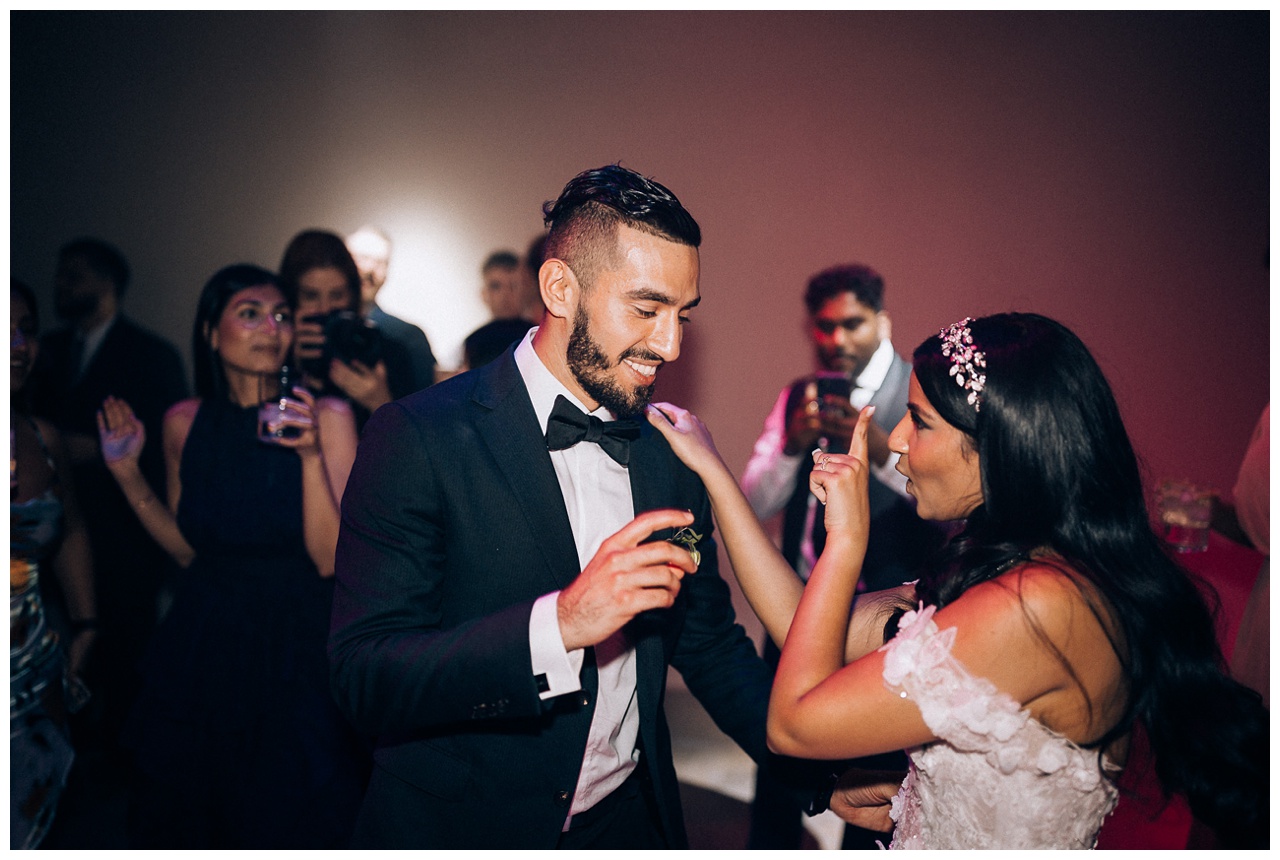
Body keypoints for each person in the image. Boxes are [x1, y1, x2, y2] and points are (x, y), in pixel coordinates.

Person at [329, 165, 826, 848]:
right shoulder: (419, 438)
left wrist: (820, 773)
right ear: (560, 288)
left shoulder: (665, 450)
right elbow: (365, 676)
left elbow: (706, 641)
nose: (671, 345)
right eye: (647, 310)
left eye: (683, 315)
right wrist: (558, 625)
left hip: (629, 825)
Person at [647, 312, 1268, 849]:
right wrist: (716, 475)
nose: (896, 440)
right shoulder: (1010, 570)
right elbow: (807, 627)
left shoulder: (1038, 604)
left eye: (920, 421)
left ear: (994, 449)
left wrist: (846, 543)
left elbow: (793, 725)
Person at [96, 264, 368, 847]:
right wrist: (124, 474)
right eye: (250, 313)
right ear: (210, 331)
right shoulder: (183, 422)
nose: (272, 329)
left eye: (281, 316)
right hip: (205, 639)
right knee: (192, 814)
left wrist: (307, 458)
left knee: (289, 812)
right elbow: (190, 551)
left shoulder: (328, 416)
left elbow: (330, 561)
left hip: (298, 643)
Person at [740, 264, 942, 848]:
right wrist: (789, 446)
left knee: (880, 769)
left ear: (882, 319)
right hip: (798, 603)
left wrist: (880, 451)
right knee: (776, 750)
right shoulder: (800, 395)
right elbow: (755, 500)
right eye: (825, 327)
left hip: (883, 613)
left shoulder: (915, 391)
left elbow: (948, 505)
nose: (837, 340)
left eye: (852, 324)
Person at [28, 237, 188, 761]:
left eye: (74, 275)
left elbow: (168, 448)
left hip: (125, 538)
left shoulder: (150, 354)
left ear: (108, 283)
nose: (61, 285)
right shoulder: (44, 349)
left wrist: (91, 450)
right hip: (49, 537)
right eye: (59, 274)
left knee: (124, 668)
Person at [11, 279, 98, 849]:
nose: (19, 344)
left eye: (27, 330)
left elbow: (69, 529)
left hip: (36, 667)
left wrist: (88, 625)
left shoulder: (41, 437)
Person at [280, 229, 423, 428]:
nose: (325, 308)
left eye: (337, 295)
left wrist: (379, 403)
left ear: (352, 295)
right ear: (291, 298)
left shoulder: (387, 353)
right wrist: (290, 370)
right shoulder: (277, 353)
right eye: (311, 296)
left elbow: (418, 448)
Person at [345, 225, 438, 389]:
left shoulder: (409, 338)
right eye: (360, 258)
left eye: (380, 263)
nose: (368, 269)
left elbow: (424, 409)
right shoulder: (317, 326)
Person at [461, 250, 536, 370]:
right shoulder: (473, 342)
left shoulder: (536, 336)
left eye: (513, 285)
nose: (505, 295)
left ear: (525, 290)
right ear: (484, 294)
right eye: (496, 286)